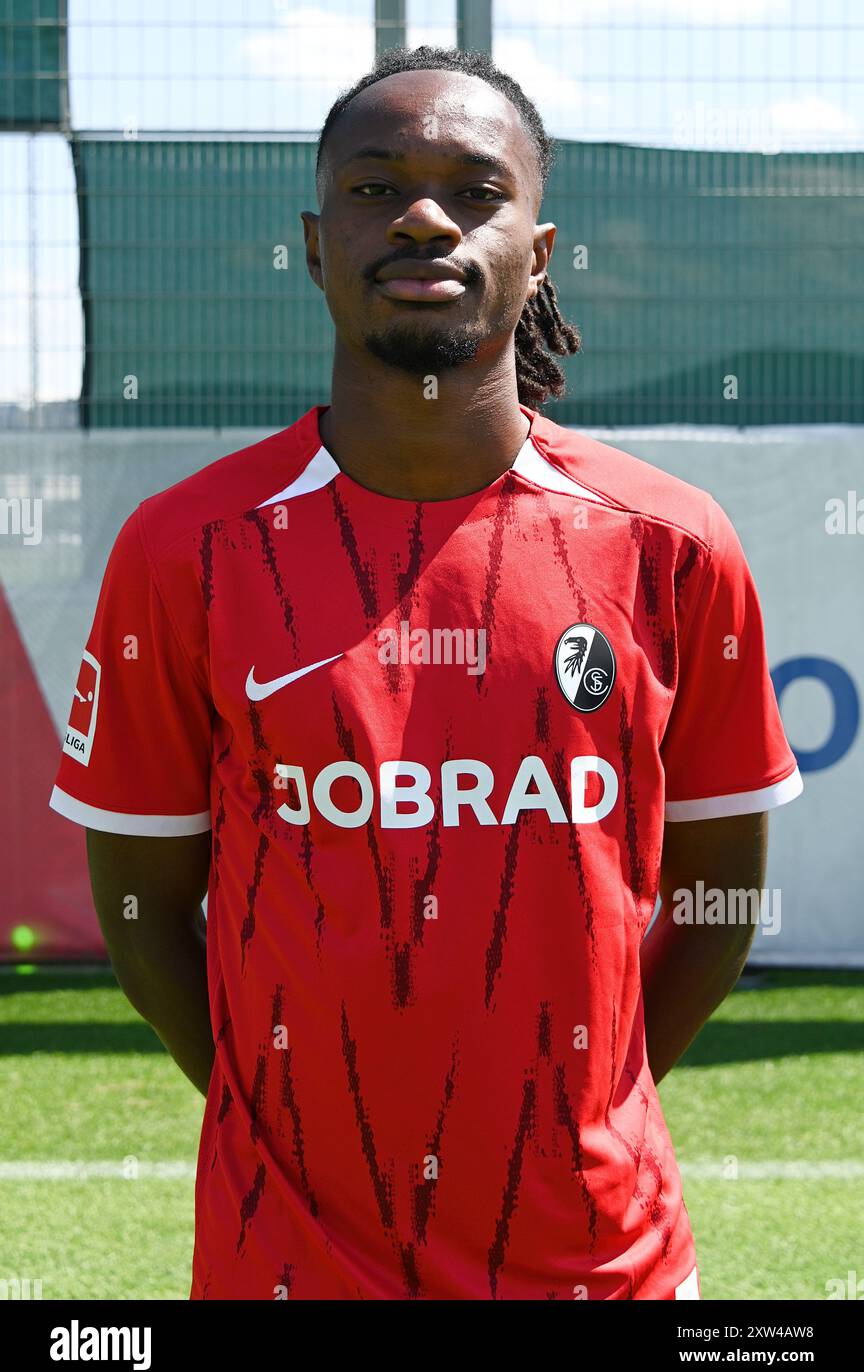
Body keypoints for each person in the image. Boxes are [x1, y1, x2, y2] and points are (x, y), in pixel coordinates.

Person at [49, 45, 803, 1300]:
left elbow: (719, 900)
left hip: (598, 1266)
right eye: (373, 185)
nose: (420, 213)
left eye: (474, 186)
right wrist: (287, 1118)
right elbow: (140, 915)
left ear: (541, 250)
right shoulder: (186, 550)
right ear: (311, 241)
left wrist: (587, 1102)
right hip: (283, 1264)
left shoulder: (672, 545)